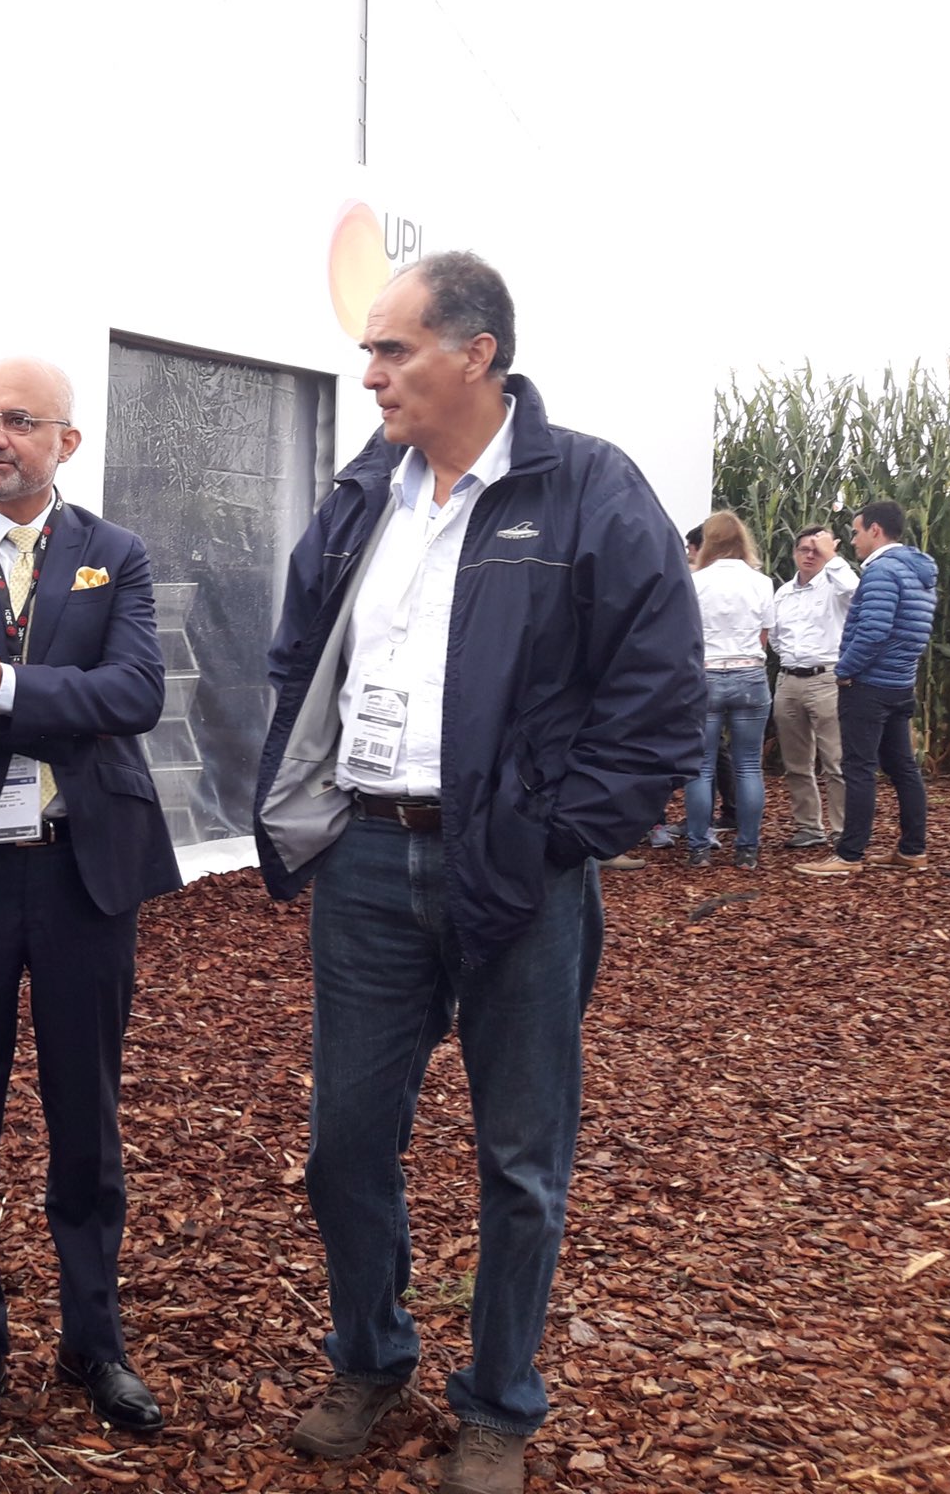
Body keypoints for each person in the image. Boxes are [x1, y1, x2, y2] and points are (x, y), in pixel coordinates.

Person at [253, 252, 702, 1494]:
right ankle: (369, 1356)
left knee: (518, 1161)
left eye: (391, 349)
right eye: (370, 349)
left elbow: (657, 694)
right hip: (365, 859)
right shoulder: (365, 491)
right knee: (344, 1145)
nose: (369, 373)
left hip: (515, 874)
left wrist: (555, 835)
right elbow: (298, 649)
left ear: (475, 354)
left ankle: (498, 1401)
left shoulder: (588, 490)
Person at [0, 358, 181, 1452]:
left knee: (85, 1123)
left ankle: (92, 1340)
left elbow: (136, 693)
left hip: (79, 875)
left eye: (17, 419)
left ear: (66, 441)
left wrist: (1, 687)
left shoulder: (115, 555)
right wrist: (52, 700)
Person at [797, 499, 938, 876]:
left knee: (858, 768)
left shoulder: (882, 572)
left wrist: (845, 670)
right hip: (900, 683)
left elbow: (874, 631)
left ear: (875, 530)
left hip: (870, 685)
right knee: (902, 767)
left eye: (856, 532)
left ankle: (849, 855)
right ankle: (912, 849)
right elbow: (914, 631)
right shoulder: (919, 572)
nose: (854, 540)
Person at [684, 511, 775, 869]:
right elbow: (764, 636)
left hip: (705, 676)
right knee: (748, 765)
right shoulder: (761, 582)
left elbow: (687, 634)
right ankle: (747, 849)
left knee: (701, 766)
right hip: (749, 675)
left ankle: (699, 848)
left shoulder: (695, 582)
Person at [768, 524, 858, 849]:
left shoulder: (836, 586)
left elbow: (857, 593)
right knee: (796, 762)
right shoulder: (783, 593)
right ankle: (809, 826)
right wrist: (790, 659)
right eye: (804, 549)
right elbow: (775, 635)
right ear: (794, 553)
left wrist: (832, 557)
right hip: (789, 679)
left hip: (827, 679)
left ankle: (843, 829)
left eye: (816, 550)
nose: (810, 555)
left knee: (835, 760)